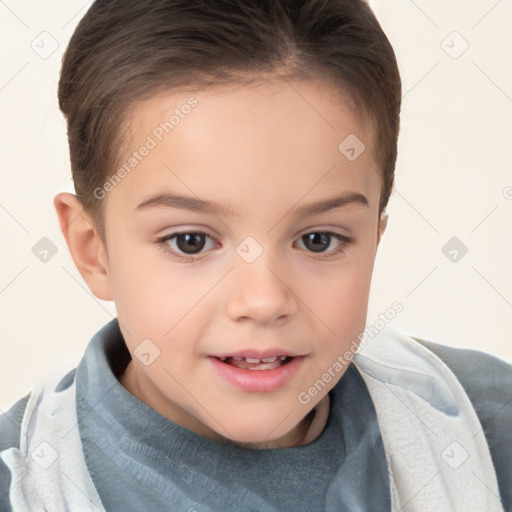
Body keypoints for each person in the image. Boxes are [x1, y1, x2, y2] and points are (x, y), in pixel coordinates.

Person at [1, 0, 510, 510]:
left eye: (318, 240)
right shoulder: (24, 485)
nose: (264, 301)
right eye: (191, 241)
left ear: (375, 238)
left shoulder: (489, 432)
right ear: (95, 251)